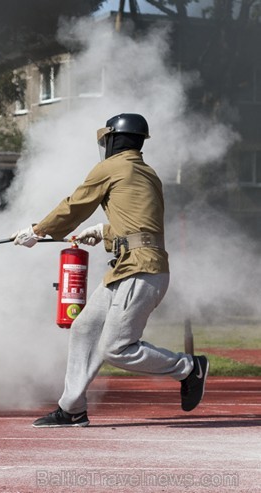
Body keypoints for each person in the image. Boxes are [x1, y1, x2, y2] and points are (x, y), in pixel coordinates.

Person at [11, 113, 208, 428]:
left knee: (116, 348)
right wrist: (104, 231)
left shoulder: (112, 167)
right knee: (84, 328)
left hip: (138, 268)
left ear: (113, 140)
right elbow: (139, 222)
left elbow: (75, 204)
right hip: (129, 267)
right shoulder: (146, 172)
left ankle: (188, 368)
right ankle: (72, 408)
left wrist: (39, 230)